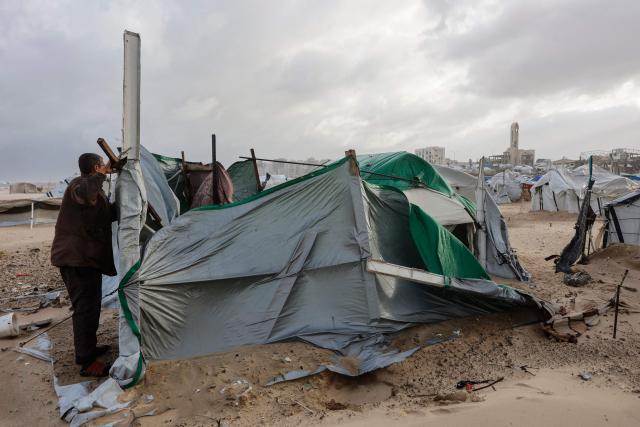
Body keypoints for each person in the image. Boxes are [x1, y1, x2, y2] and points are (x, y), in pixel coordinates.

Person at [51, 153, 117, 377]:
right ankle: (86, 361)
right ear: (96, 167)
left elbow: (105, 215)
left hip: (86, 260)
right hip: (75, 259)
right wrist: (102, 175)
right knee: (85, 309)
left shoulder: (94, 192)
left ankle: (89, 349)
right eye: (101, 168)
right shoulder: (79, 185)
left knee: (91, 306)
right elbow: (87, 193)